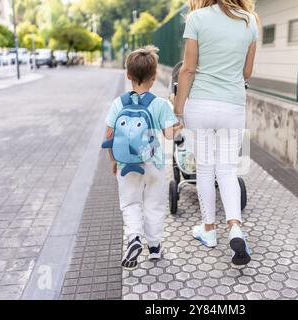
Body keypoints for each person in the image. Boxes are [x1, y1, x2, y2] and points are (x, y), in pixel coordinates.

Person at [173, 0, 258, 265]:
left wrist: (178, 110)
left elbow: (187, 69)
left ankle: (208, 231)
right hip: (233, 104)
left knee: (206, 170)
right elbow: (247, 71)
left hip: (200, 104)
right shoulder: (249, 21)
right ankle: (235, 227)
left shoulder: (196, 19)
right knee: (228, 170)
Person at [105, 46, 181, 269]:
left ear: (127, 75)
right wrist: (177, 127)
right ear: (155, 76)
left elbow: (109, 134)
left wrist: (113, 160)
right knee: (154, 204)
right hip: (153, 164)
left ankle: (134, 237)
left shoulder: (118, 103)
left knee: (130, 203)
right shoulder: (160, 104)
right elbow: (168, 134)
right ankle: (155, 247)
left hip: (126, 164)